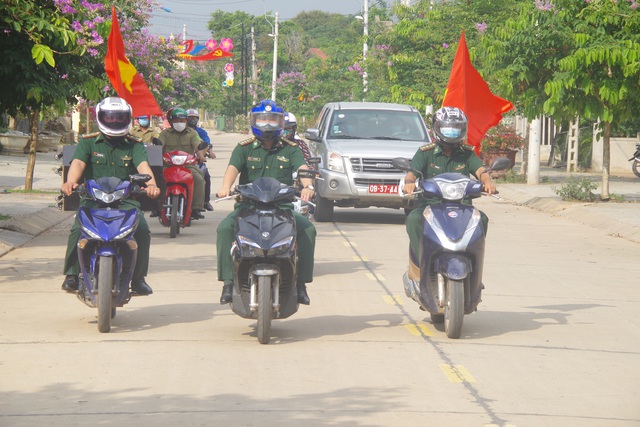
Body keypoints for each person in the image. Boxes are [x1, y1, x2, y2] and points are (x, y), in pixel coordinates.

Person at [216, 100, 317, 305]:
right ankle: (228, 283)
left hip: (282, 208)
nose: (267, 124)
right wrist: (225, 186)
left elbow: (303, 170)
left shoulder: (291, 149)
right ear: (254, 121)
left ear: (280, 122)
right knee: (225, 228)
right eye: (263, 119)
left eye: (272, 119)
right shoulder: (243, 148)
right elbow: (232, 170)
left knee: (307, 229)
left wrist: (308, 187)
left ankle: (301, 285)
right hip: (248, 207)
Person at [60, 97, 160, 295]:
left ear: (128, 118)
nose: (114, 121)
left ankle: (138, 278)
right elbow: (78, 163)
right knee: (76, 229)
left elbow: (143, 166)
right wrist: (71, 181)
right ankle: (71, 275)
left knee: (142, 229)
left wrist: (152, 185)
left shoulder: (135, 144)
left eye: (119, 118)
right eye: (110, 117)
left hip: (125, 201)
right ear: (100, 117)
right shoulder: (88, 142)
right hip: (93, 199)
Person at [402, 106, 496, 281]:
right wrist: (409, 183)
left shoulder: (467, 154)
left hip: (462, 208)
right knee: (413, 219)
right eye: (448, 128)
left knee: (482, 219)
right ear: (437, 128)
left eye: (456, 129)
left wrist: (487, 181)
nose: (452, 132)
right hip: (429, 207)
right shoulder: (426, 153)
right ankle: (422, 263)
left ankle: (473, 265)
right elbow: (411, 173)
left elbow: (481, 171)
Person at [157, 107, 207, 220]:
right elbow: (159, 146)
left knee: (199, 179)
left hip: (187, 165)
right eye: (176, 121)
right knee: (156, 178)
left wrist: (201, 156)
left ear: (186, 121)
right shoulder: (165, 134)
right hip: (168, 165)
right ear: (171, 122)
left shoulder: (192, 133)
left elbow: (198, 146)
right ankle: (156, 206)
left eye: (182, 121)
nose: (179, 123)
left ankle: (196, 208)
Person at [186, 108, 215, 211]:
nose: (192, 120)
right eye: (190, 118)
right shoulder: (177, 132)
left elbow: (206, 144)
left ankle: (205, 201)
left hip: (195, 161)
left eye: (194, 118)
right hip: (180, 161)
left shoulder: (200, 132)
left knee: (205, 176)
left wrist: (208, 152)